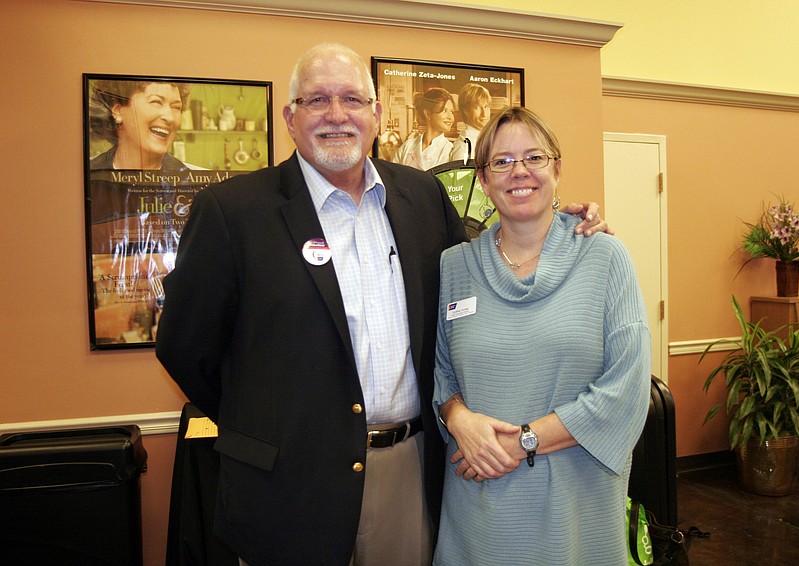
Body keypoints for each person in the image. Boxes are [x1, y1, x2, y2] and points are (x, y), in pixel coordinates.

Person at [155, 43, 609, 566]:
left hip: (407, 472)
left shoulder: (421, 198)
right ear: (290, 117)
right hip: (288, 487)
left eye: (352, 98)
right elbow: (186, 349)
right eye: (317, 100)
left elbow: (493, 263)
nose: (336, 115)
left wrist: (565, 221)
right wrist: (268, 425)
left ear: (375, 114)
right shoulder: (233, 212)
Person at [432, 106, 651, 565]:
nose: (520, 172)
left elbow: (625, 389)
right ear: (484, 180)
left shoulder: (605, 257)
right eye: (502, 162)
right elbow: (439, 374)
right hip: (479, 503)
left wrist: (519, 442)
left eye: (534, 157)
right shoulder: (456, 265)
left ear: (557, 168)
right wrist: (457, 418)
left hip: (575, 506)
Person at [89, 79, 198, 171]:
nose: (170, 118)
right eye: (156, 102)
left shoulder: (193, 181)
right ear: (118, 110)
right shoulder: (89, 174)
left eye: (176, 107)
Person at [393, 87, 454, 170]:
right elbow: (392, 176)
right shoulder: (407, 146)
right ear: (428, 113)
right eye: (444, 110)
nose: (451, 117)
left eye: (452, 112)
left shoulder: (450, 150)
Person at [448, 83, 491, 163]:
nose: (484, 114)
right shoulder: (463, 146)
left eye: (486, 107)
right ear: (466, 111)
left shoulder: (489, 138)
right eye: (477, 107)